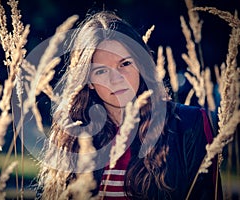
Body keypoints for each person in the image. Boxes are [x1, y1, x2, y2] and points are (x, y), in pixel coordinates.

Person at [35, 10, 222, 200]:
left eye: (124, 64)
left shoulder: (190, 124)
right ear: (88, 81)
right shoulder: (71, 131)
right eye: (101, 71)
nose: (116, 79)